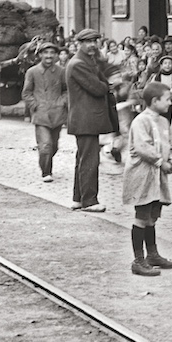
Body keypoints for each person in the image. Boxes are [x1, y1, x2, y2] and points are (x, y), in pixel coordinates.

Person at [123, 81, 172, 277]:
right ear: (155, 101)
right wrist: (160, 161)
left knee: (152, 216)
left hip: (158, 178)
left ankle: (153, 254)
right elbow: (142, 147)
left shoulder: (164, 122)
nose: (169, 104)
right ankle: (138, 260)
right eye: (167, 100)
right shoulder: (141, 121)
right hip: (143, 176)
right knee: (142, 216)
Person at [67, 29, 117, 213]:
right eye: (88, 41)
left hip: (85, 119)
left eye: (95, 41)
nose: (92, 45)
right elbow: (97, 88)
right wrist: (107, 85)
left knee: (83, 159)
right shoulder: (79, 64)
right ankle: (89, 200)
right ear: (80, 43)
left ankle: (79, 198)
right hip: (85, 119)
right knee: (89, 160)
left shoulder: (86, 61)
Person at [22, 42, 67, 183]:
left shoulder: (61, 71)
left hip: (57, 114)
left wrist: (62, 102)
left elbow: (66, 90)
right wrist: (35, 105)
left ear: (56, 55)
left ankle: (46, 164)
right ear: (40, 55)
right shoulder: (32, 72)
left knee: (53, 146)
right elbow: (26, 93)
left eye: (52, 53)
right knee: (45, 145)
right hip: (41, 114)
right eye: (45, 53)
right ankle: (46, 172)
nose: (49, 56)